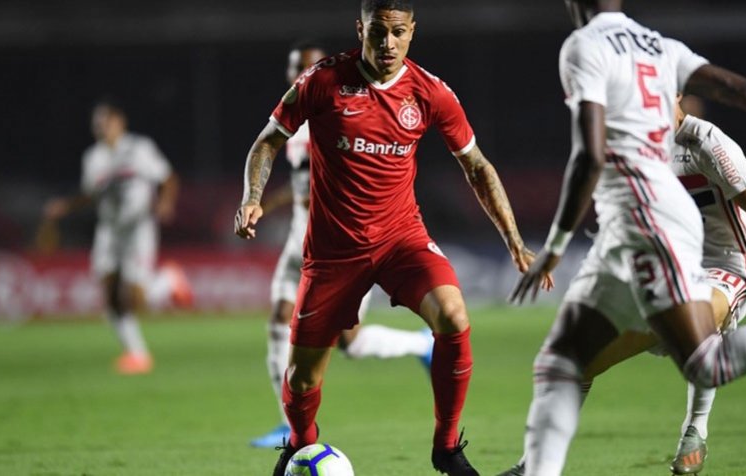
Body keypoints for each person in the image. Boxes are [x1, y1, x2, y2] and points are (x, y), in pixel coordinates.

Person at [235, 1, 551, 474]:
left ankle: (446, 448)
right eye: (378, 32)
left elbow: (477, 166)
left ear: (412, 32)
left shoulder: (429, 93)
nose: (388, 43)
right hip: (333, 250)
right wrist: (252, 196)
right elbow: (269, 139)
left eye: (398, 32)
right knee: (302, 379)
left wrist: (514, 239)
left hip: (401, 238)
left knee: (453, 315)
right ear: (361, 29)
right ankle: (301, 446)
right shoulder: (323, 81)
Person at [503, 1, 746, 475]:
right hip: (653, 239)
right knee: (567, 364)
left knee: (699, 351)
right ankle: (533, 468)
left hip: (722, 262)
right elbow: (744, 90)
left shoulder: (703, 140)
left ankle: (698, 427)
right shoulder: (659, 50)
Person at [249, 39, 438, 449]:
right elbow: (300, 182)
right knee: (278, 319)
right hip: (297, 241)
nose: (303, 73)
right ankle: (287, 426)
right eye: (295, 67)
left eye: (310, 67)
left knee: (349, 342)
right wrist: (260, 200)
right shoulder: (294, 121)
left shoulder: (342, 116)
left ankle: (421, 344)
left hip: (340, 244)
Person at [42, 98, 192, 375]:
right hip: (109, 230)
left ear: (120, 122)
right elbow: (91, 194)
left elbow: (168, 177)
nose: (102, 128)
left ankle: (168, 281)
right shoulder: (93, 158)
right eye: (97, 124)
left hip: (138, 228)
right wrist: (65, 205)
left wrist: (166, 202)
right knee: (110, 295)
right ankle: (137, 355)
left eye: (107, 122)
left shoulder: (139, 149)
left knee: (134, 299)